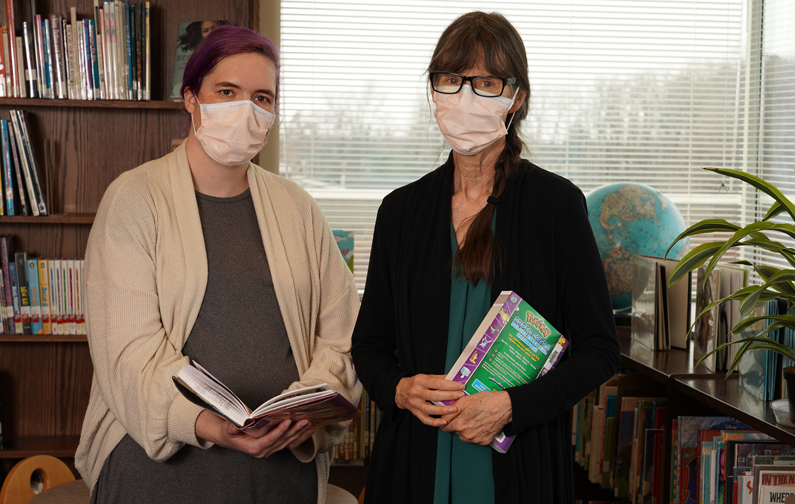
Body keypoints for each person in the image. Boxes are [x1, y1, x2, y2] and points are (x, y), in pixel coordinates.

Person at [75, 26, 361, 504]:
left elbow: (343, 336)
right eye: (227, 92)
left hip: (279, 467)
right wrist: (212, 426)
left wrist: (303, 414)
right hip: (158, 470)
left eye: (262, 97)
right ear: (191, 98)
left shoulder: (298, 207)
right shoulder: (134, 199)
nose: (245, 109)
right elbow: (126, 354)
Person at [351, 11, 620, 504]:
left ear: (517, 97)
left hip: (517, 470)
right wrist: (399, 390)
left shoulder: (556, 206)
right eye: (451, 80)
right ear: (433, 92)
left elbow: (600, 349)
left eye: (487, 82)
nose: (465, 96)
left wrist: (512, 405)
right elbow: (368, 346)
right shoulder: (400, 211)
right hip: (414, 463)